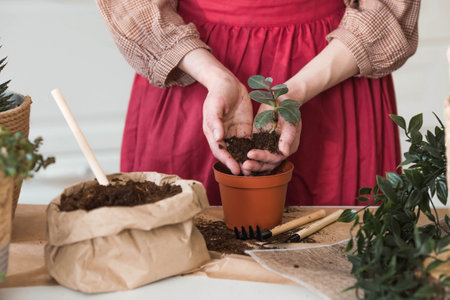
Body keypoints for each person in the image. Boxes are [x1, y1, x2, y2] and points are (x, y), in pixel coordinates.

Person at [96, 0, 420, 206]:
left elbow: (387, 8)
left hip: (333, 67)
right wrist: (216, 78)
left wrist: (295, 92)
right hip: (192, 67)